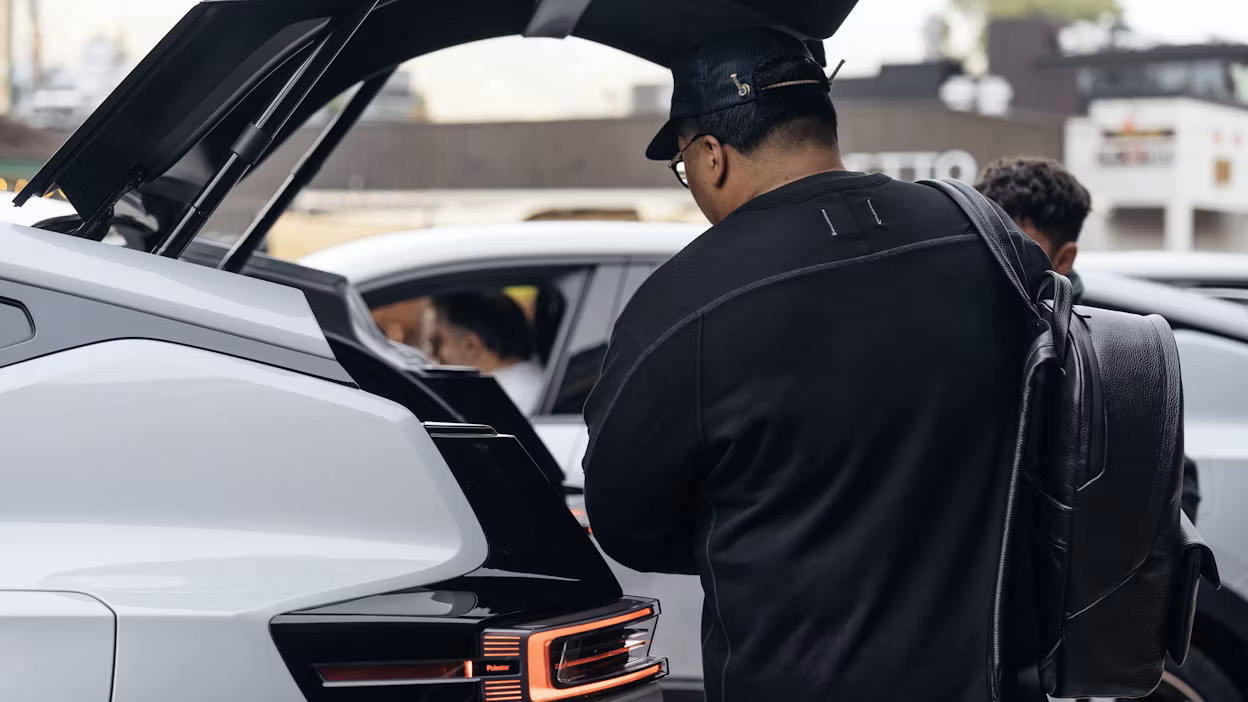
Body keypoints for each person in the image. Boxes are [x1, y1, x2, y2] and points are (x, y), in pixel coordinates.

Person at [582, 28, 1052, 702]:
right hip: (995, 677)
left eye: (683, 165)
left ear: (711, 154)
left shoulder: (685, 303)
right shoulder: (981, 234)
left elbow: (625, 518)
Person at [975, 156, 1200, 521]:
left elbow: (1175, 487)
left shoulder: (1111, 349)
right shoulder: (961, 325)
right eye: (987, 244)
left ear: (1064, 258)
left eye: (1018, 251)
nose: (998, 263)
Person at [419, 292, 545, 414]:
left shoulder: (496, 402)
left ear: (471, 345)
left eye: (437, 342)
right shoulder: (534, 385)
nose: (430, 354)